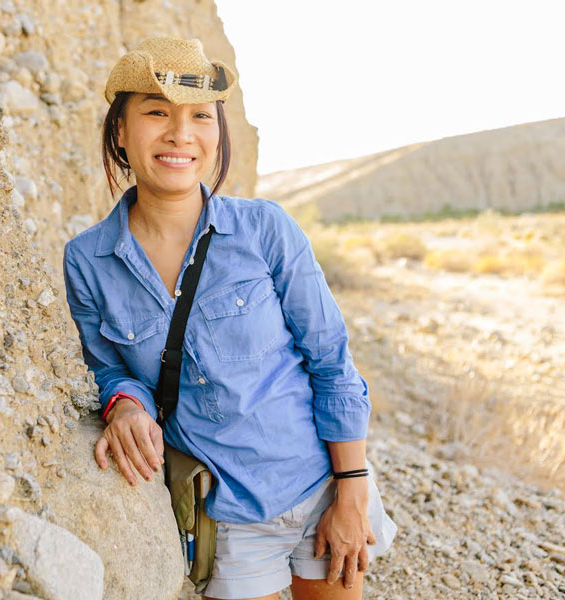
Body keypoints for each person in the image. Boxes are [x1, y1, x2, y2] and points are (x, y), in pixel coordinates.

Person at [62, 37, 397, 600]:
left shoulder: (266, 229)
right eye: (156, 113)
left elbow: (331, 362)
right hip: (227, 516)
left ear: (218, 132)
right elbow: (111, 370)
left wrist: (352, 490)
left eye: (200, 117)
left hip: (319, 486)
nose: (180, 134)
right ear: (120, 129)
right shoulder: (86, 261)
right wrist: (124, 405)